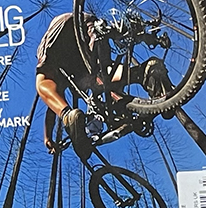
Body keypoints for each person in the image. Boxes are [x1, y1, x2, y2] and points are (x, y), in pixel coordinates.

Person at [33, 12, 165, 149]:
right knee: (102, 72)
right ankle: (144, 72)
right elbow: (53, 104)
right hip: (88, 25)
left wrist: (48, 138)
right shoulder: (75, 76)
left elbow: (52, 104)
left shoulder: (60, 77)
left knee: (43, 78)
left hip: (64, 28)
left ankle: (68, 117)